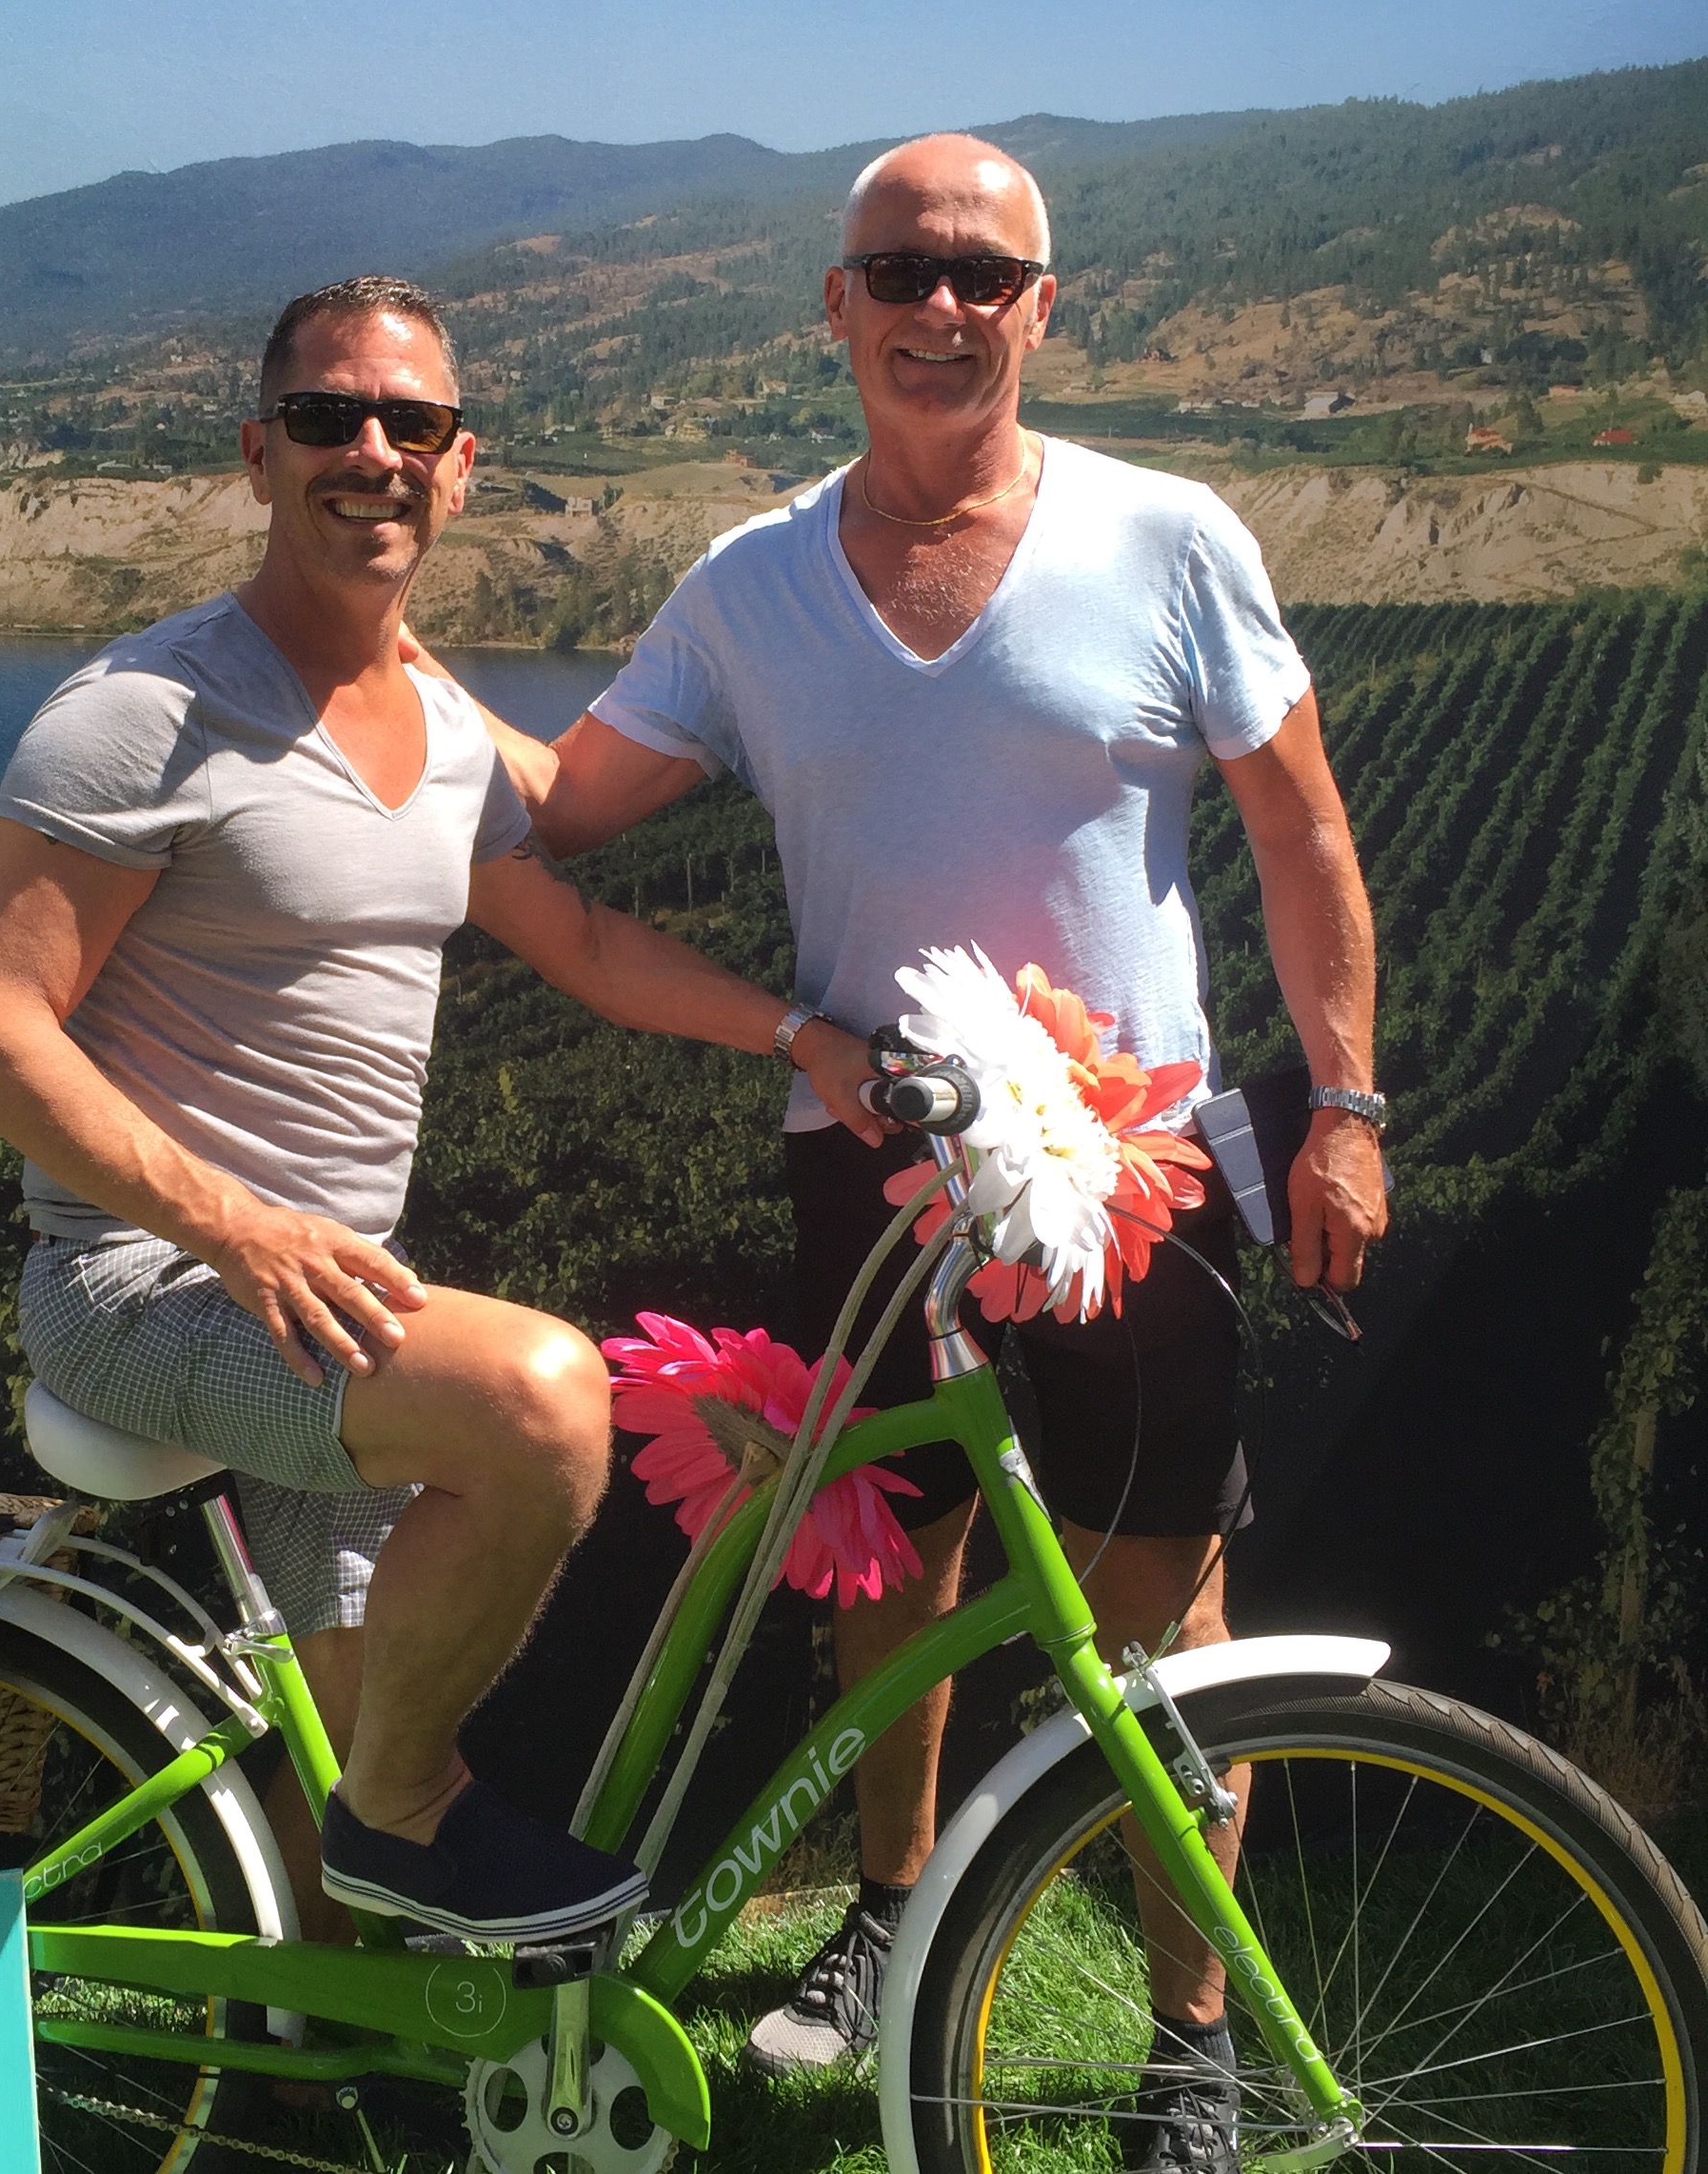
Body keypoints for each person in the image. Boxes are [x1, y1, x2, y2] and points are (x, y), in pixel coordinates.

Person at [438, 137, 1388, 2159]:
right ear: (837, 308)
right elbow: (574, 803)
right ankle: (888, 1917)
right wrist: (385, 672)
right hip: (869, 1170)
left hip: (1133, 1176)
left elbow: (1302, 828)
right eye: (901, 268)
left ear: (1047, 306)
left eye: (983, 273)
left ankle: (1189, 2029)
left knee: (1163, 1600)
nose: (941, 306)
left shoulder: (1171, 537)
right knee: (890, 1558)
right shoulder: (750, 586)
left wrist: (1352, 1102)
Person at [0, 274, 885, 1945]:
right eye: (327, 417)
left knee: (362, 1714)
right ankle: (407, 1820)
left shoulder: (443, 729)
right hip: (145, 1289)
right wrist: (232, 1222)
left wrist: (800, 1033)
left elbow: (574, 932)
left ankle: (305, 2045)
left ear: (458, 468)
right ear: (258, 452)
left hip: (326, 1299)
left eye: (411, 424)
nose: (369, 450)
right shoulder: (141, 714)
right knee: (540, 1406)